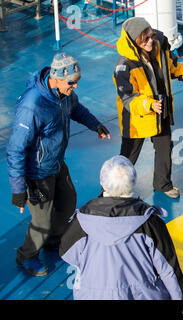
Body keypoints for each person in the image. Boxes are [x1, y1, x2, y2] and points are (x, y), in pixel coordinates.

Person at [7, 52, 111, 276]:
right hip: (37, 173)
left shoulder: (65, 94)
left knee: (67, 203)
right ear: (56, 78)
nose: (75, 87)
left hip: (56, 162)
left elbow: (76, 109)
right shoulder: (32, 105)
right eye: (72, 83)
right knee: (41, 221)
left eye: (77, 82)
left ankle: (52, 240)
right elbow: (15, 149)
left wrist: (96, 125)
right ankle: (27, 256)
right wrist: (18, 189)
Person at [59, 155, 183, 300]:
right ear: (132, 182)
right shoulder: (149, 221)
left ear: (103, 183)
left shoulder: (82, 218)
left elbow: (66, 252)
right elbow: (168, 268)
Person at [113, 17, 183, 199]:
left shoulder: (159, 48)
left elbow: (176, 69)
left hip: (160, 111)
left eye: (151, 35)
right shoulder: (124, 66)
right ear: (135, 42)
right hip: (137, 118)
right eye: (145, 39)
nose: (151, 40)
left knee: (165, 148)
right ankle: (112, 190)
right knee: (128, 156)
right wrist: (148, 104)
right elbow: (128, 98)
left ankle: (162, 184)